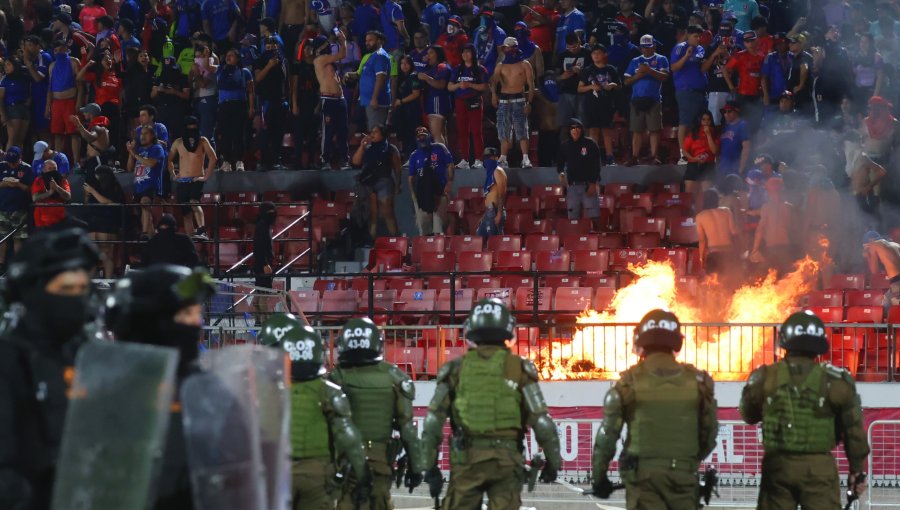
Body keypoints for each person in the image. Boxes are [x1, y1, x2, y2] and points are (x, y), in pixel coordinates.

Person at [419, 298, 561, 507]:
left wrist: (429, 466)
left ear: (471, 328)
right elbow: (543, 423)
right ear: (509, 328)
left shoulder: (455, 369)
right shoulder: (520, 368)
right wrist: (553, 464)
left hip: (466, 460)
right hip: (506, 460)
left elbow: (432, 422)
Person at [0, 228, 99, 510]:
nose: (76, 301)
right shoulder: (8, 361)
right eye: (66, 290)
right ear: (32, 293)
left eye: (82, 290)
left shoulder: (92, 356)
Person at [105, 264, 217, 509]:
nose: (196, 324)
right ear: (150, 320)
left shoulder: (206, 388)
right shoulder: (108, 390)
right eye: (186, 315)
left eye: (198, 315)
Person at [739, 311, 869, 509]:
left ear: (784, 340)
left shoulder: (765, 376)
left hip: (778, 468)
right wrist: (857, 471)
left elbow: (747, 415)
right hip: (819, 470)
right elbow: (854, 432)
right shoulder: (836, 380)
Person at [592, 309, 719, 506]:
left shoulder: (628, 382)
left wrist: (599, 479)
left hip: (643, 481)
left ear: (641, 340)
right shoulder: (698, 382)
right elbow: (709, 434)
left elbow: (607, 436)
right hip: (684, 480)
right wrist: (687, 462)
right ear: (676, 341)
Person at [257, 313, 371, 510]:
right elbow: (349, 438)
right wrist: (362, 475)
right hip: (317, 476)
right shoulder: (328, 392)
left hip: (278, 474)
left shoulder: (267, 392)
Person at [327, 317, 423, 509]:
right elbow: (407, 432)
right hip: (380, 461)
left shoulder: (337, 377)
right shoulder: (394, 376)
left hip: (345, 461)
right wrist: (415, 468)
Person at [671, 25, 716, 159]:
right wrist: (686, 56)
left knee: (697, 123)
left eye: (699, 36)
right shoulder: (680, 47)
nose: (698, 39)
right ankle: (682, 153)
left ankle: (694, 151)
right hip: (686, 91)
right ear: (688, 35)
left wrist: (713, 55)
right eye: (695, 36)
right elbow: (673, 68)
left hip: (701, 91)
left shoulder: (701, 49)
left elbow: (702, 69)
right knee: (685, 122)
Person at [624, 34, 670, 166]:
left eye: (649, 47)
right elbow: (626, 81)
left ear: (654, 46)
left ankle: (654, 156)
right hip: (637, 99)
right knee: (636, 130)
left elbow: (665, 77)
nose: (646, 50)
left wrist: (649, 70)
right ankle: (634, 157)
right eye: (644, 48)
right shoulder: (634, 61)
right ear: (640, 47)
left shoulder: (661, 59)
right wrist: (638, 75)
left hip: (654, 98)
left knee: (654, 129)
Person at [168, 116, 216, 239]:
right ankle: (190, 239)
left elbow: (213, 158)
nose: (191, 131)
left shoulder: (202, 141)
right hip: (183, 180)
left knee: (194, 202)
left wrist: (206, 177)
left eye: (193, 128)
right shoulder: (178, 142)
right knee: (186, 212)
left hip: (196, 178)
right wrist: (173, 174)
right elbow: (169, 159)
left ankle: (202, 230)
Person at [352, 124, 401, 240]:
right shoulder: (368, 148)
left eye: (375, 132)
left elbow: (397, 168)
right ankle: (371, 241)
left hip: (385, 181)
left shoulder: (391, 148)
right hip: (369, 183)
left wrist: (398, 184)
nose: (372, 134)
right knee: (372, 214)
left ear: (383, 134)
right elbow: (355, 162)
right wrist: (362, 146)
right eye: (371, 132)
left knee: (387, 212)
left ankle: (396, 239)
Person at [491, 36, 535, 169]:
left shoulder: (525, 64)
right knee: (504, 130)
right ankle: (503, 159)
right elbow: (494, 81)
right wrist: (494, 95)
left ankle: (525, 159)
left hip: (519, 99)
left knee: (522, 130)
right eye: (506, 47)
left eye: (510, 47)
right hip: (504, 100)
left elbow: (531, 85)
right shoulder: (500, 65)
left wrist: (529, 103)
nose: (508, 49)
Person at [577, 43, 620, 165]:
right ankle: (593, 157)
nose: (595, 55)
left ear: (604, 54)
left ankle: (610, 157)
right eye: (593, 53)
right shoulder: (587, 70)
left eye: (598, 53)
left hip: (606, 104)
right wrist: (591, 86)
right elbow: (579, 89)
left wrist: (612, 85)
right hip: (591, 104)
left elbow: (619, 86)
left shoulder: (611, 69)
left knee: (606, 131)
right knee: (593, 131)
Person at [314, 31, 350, 171]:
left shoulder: (330, 61)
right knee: (328, 131)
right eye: (325, 44)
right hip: (328, 99)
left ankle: (344, 160)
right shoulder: (319, 60)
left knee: (343, 131)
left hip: (340, 99)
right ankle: (325, 160)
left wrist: (341, 42)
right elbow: (342, 54)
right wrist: (343, 41)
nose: (328, 45)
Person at [408, 126, 454, 236]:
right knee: (424, 229)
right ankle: (427, 250)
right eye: (419, 136)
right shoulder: (414, 155)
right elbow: (411, 178)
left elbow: (450, 165)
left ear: (429, 136)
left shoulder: (439, 148)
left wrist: (449, 183)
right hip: (422, 195)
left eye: (424, 135)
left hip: (440, 192)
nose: (422, 138)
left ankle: (439, 251)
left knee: (438, 227)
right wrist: (414, 196)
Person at [448, 45, 488, 169]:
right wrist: (459, 85)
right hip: (460, 102)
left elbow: (484, 87)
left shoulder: (480, 69)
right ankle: (464, 160)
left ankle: (478, 159)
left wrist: (470, 85)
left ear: (473, 53)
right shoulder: (457, 69)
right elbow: (449, 87)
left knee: (476, 131)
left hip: (474, 101)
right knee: (462, 131)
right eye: (463, 52)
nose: (465, 54)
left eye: (468, 52)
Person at [82, 164, 125, 277]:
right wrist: (87, 195)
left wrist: (92, 191)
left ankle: (107, 279)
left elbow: (108, 202)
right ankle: (90, 281)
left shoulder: (114, 187)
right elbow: (88, 204)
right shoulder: (96, 187)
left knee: (107, 253)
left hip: (108, 223)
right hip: (93, 222)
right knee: (92, 254)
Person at [254, 36, 289, 171]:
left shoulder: (283, 60)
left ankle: (276, 161)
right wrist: (269, 65)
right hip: (266, 101)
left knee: (278, 133)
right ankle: (262, 161)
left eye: (274, 44)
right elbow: (257, 78)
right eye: (269, 44)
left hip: (280, 101)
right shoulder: (260, 60)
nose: (271, 46)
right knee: (265, 132)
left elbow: (287, 81)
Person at [216, 48, 254, 172]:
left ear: (237, 59)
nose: (228, 57)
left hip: (240, 106)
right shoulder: (220, 70)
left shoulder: (245, 72)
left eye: (231, 55)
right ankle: (226, 161)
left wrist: (251, 108)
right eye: (227, 55)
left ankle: (239, 161)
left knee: (238, 134)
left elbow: (251, 92)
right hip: (224, 106)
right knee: (225, 134)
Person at [557, 118, 602, 221]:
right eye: (572, 128)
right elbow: (560, 162)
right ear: (569, 130)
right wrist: (561, 173)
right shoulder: (565, 146)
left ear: (581, 129)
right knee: (573, 218)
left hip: (589, 185)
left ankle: (594, 236)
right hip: (572, 187)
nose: (575, 130)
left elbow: (596, 165)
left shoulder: (591, 144)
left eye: (577, 128)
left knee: (593, 217)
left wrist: (593, 183)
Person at [47, 39, 82, 165]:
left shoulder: (73, 61)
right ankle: (57, 162)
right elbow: (50, 88)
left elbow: (80, 85)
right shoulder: (52, 65)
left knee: (74, 133)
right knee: (57, 134)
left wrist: (79, 102)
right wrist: (48, 107)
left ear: (66, 48)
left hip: (70, 101)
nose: (57, 50)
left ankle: (77, 162)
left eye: (60, 47)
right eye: (55, 48)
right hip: (56, 103)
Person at [750, 177, 794, 276]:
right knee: (787, 279)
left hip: (771, 248)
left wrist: (755, 249)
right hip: (785, 247)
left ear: (769, 191)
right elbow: (789, 226)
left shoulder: (767, 207)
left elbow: (760, 230)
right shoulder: (788, 207)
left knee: (772, 277)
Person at [128, 126, 167, 239]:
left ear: (153, 135)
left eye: (146, 134)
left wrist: (135, 154)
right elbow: (129, 168)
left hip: (151, 185)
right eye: (141, 134)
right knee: (144, 213)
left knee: (145, 203)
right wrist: (131, 153)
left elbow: (152, 163)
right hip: (138, 186)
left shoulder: (157, 148)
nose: (143, 136)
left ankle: (145, 234)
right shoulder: (139, 150)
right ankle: (151, 239)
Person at [724, 30, 765, 134]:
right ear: (744, 43)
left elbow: (764, 76)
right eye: (747, 41)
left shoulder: (762, 56)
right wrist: (731, 87)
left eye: (752, 40)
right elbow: (725, 69)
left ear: (757, 41)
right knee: (742, 124)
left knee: (756, 124)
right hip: (743, 95)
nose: (750, 44)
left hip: (757, 96)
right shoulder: (739, 56)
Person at [555, 32, 591, 143]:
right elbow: (555, 77)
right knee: (564, 123)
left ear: (579, 42)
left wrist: (581, 72)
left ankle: (584, 149)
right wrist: (562, 76)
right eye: (569, 47)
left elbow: (594, 73)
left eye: (574, 47)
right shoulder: (562, 56)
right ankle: (565, 151)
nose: (572, 50)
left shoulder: (588, 54)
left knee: (583, 122)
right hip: (565, 93)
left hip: (583, 93)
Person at [0, 147, 32, 267]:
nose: (11, 164)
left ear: (20, 157)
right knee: (2, 238)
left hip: (20, 209)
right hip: (2, 208)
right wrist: (4, 183)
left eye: (14, 162)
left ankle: (18, 264)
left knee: (19, 237)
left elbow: (30, 189)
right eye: (10, 161)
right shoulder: (1, 166)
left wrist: (18, 184)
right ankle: (1, 264)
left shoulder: (26, 168)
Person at [696, 189, 739, 277]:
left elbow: (702, 241)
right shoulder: (727, 211)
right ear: (717, 200)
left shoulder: (700, 216)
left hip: (714, 254)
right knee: (729, 281)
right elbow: (734, 232)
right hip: (728, 252)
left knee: (714, 284)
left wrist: (701, 259)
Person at [683, 110, 720, 209]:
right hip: (693, 165)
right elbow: (685, 151)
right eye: (703, 120)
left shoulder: (714, 134)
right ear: (699, 121)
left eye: (708, 120)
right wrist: (694, 158)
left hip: (708, 166)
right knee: (689, 196)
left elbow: (714, 151)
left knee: (706, 196)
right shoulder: (693, 134)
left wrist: (708, 135)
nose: (706, 122)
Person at [358, 31, 392, 131]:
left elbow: (380, 78)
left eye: (370, 40)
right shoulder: (373, 55)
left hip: (377, 102)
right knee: (372, 131)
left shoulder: (380, 56)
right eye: (366, 40)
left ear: (379, 41)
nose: (367, 43)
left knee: (376, 132)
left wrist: (374, 98)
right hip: (369, 101)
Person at [392, 56, 424, 159]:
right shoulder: (402, 77)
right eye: (402, 63)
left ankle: (413, 156)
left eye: (406, 63)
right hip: (402, 111)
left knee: (411, 134)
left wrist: (401, 101)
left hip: (412, 109)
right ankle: (406, 155)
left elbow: (416, 94)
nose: (404, 66)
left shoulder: (414, 76)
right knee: (403, 133)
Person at [23, 35, 52, 142]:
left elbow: (38, 78)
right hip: (35, 98)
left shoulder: (43, 56)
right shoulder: (33, 59)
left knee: (44, 129)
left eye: (30, 45)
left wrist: (28, 64)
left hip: (44, 98)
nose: (27, 49)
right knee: (36, 129)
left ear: (38, 46)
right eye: (25, 46)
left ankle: (50, 154)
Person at [0, 56, 32, 151]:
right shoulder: (5, 80)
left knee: (20, 140)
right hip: (12, 109)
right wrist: (3, 115)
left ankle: (18, 161)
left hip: (24, 109)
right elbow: (0, 99)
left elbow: (29, 93)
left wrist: (28, 103)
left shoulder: (25, 78)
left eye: (8, 64)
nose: (6, 67)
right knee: (12, 139)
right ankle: (7, 162)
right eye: (5, 65)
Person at [69, 103, 111, 176]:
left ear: (91, 114)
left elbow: (90, 138)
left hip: (97, 161)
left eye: (85, 112)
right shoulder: (96, 126)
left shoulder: (97, 127)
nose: (83, 114)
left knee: (95, 185)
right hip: (93, 161)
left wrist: (79, 125)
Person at [476, 147, 507, 240]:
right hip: (489, 212)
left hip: (496, 211)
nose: (487, 160)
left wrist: (499, 214)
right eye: (486, 158)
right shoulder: (491, 173)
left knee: (494, 243)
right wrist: (484, 215)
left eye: (490, 157)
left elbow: (502, 194)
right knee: (479, 238)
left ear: (496, 158)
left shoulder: (498, 171)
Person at [863, 231, 900, 308]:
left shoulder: (874, 245)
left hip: (897, 282)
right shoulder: (896, 245)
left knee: (887, 309)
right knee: (886, 301)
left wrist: (867, 255)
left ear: (870, 240)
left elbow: (874, 271)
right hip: (896, 281)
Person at [718, 101, 752, 184]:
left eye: (729, 111)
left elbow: (746, 147)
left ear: (737, 111)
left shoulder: (742, 125)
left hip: (736, 168)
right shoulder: (725, 127)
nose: (726, 114)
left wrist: (741, 168)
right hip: (723, 168)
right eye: (724, 112)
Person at [32, 160, 71, 230]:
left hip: (59, 218)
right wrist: (49, 193)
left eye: (54, 169)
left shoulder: (63, 180)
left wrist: (57, 188)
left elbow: (68, 197)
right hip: (42, 220)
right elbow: (35, 198)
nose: (52, 171)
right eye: (50, 168)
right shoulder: (38, 180)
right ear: (44, 170)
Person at [253, 202, 277, 289]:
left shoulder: (264, 225)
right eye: (270, 212)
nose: (272, 214)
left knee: (260, 290)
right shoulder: (262, 226)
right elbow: (259, 247)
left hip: (262, 263)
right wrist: (265, 264)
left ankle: (256, 303)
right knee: (264, 291)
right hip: (263, 264)